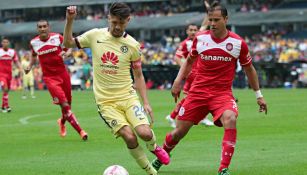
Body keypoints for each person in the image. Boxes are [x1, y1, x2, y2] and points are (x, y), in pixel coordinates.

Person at [156, 1, 268, 175]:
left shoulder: (238, 43)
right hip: (197, 93)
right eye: (210, 20)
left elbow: (249, 69)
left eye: (217, 20)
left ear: (226, 19)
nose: (213, 24)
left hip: (221, 95)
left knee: (230, 118)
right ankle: (161, 156)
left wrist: (258, 95)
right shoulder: (200, 39)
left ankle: (223, 169)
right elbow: (189, 61)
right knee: (178, 132)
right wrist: (178, 82)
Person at [63, 3, 169, 175]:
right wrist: (69, 20)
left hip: (128, 97)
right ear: (108, 19)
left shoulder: (133, 45)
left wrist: (146, 103)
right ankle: (151, 171)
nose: (117, 27)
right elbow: (67, 42)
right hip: (106, 103)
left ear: (128, 20)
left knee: (145, 133)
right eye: (114, 22)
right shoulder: (94, 35)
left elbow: (139, 76)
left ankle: (154, 147)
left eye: (121, 23)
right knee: (130, 136)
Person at [25, 20, 88, 140]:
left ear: (48, 27)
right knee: (65, 105)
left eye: (45, 26)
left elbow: (69, 48)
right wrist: (30, 66)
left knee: (67, 105)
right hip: (50, 78)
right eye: (40, 27)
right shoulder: (34, 42)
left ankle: (62, 122)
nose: (43, 29)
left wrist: (68, 53)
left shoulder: (57, 37)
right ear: (37, 29)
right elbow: (33, 56)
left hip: (63, 75)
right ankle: (81, 131)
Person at [165, 23, 214, 128]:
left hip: (199, 73)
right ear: (187, 31)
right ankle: (202, 118)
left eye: (195, 30)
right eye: (190, 30)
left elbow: (205, 25)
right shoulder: (186, 43)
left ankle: (173, 116)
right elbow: (177, 57)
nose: (193, 32)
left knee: (191, 98)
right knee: (200, 96)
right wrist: (186, 70)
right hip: (193, 74)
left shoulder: (199, 41)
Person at [0, 37, 21, 113]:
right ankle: (7, 106)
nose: (5, 43)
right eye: (4, 42)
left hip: (9, 74)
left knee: (7, 90)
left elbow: (16, 61)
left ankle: (2, 107)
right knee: (5, 88)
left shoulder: (12, 52)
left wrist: (20, 68)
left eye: (6, 42)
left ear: (8, 43)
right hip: (1, 74)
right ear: (2, 43)